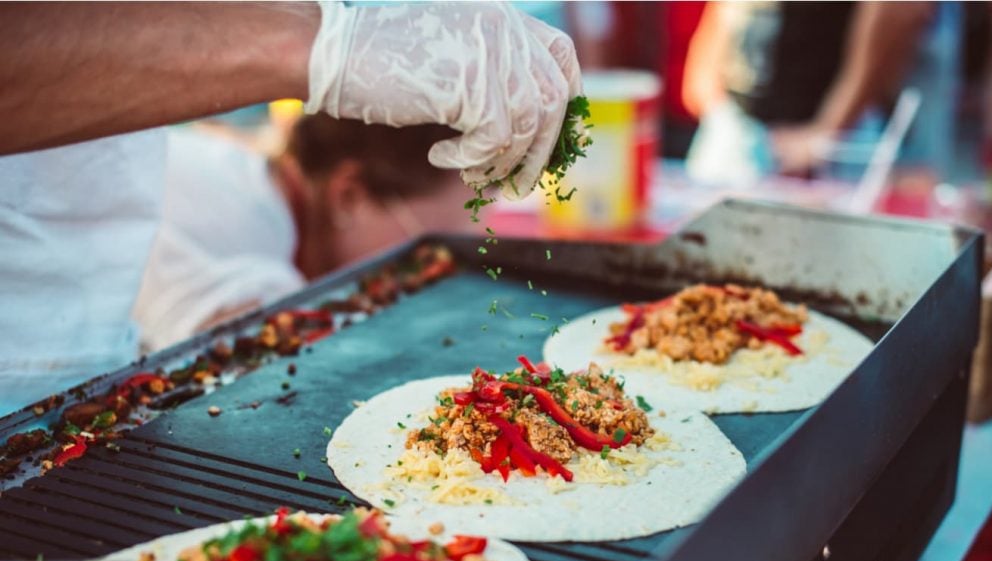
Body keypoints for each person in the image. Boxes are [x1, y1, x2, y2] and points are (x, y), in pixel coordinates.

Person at [0, 2, 582, 414]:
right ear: (349, 195)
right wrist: (328, 44)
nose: (428, 270)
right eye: (428, 243)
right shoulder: (237, 210)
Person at [133, 118, 470, 351]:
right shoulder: (241, 241)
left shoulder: (241, 177)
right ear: (348, 196)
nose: (432, 273)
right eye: (429, 250)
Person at [682, 1, 932, 182]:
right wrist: (710, 94)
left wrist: (827, 131)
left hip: (830, 145)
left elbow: (903, 9)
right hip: (735, 128)